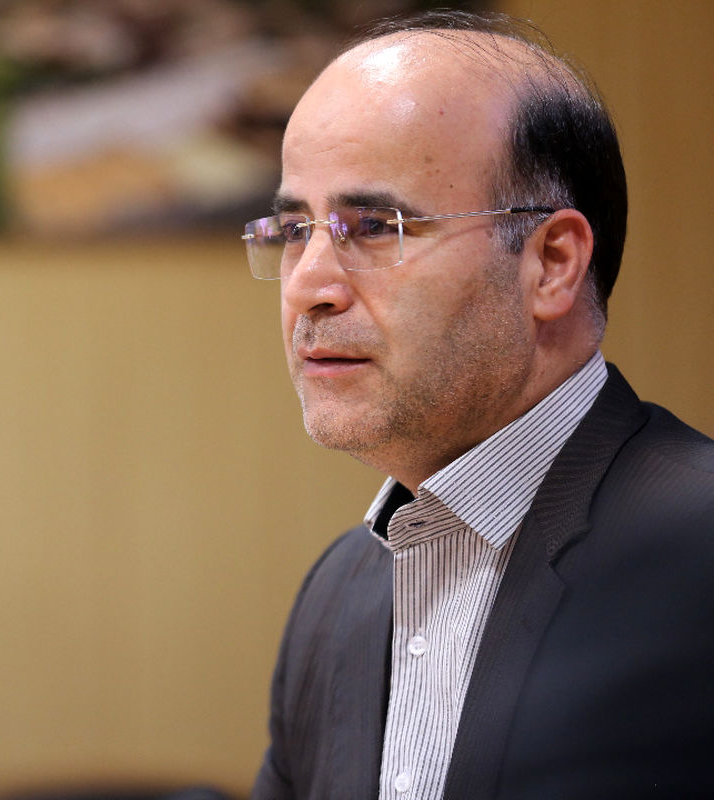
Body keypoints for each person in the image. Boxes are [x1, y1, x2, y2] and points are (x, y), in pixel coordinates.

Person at [242, 10, 714, 800]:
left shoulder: (700, 548)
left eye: (375, 226)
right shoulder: (337, 594)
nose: (309, 286)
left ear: (551, 263)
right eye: (295, 229)